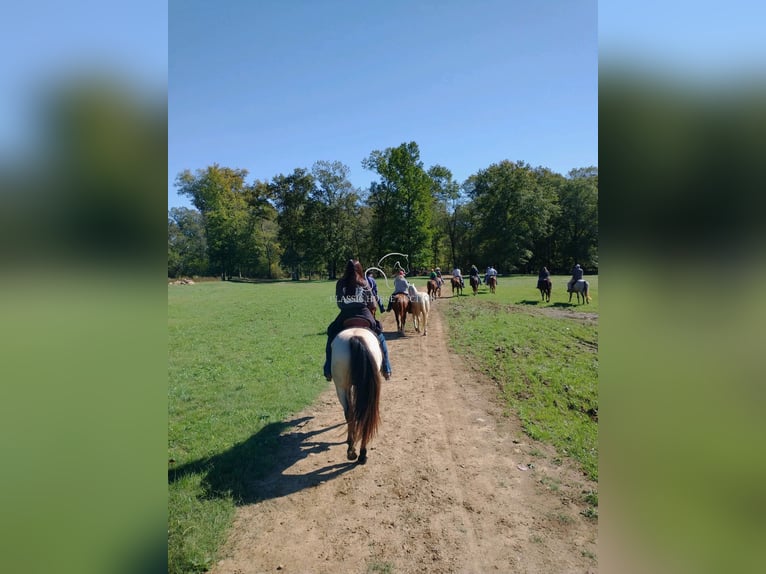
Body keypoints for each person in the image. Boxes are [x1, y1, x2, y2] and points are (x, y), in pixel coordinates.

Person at [324, 260, 392, 381]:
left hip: (345, 316)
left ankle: (328, 369)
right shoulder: (364, 283)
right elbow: (372, 304)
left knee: (331, 334)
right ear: (360, 269)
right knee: (380, 336)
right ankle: (386, 369)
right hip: (364, 315)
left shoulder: (340, 283)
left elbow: (340, 304)